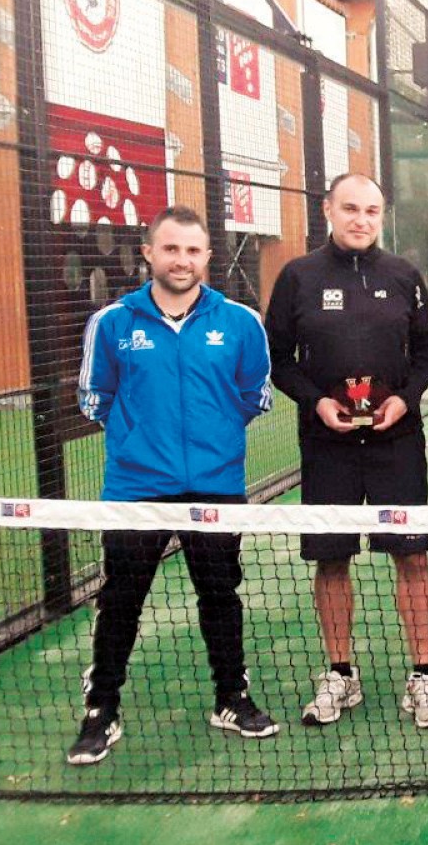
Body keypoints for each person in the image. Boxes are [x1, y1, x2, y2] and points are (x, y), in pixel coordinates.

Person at [69, 206, 278, 765]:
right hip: (135, 491)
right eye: (170, 249)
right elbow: (94, 396)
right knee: (120, 601)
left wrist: (215, 434)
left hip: (216, 488)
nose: (181, 260)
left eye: (192, 250)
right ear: (149, 252)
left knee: (219, 596)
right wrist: (140, 438)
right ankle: (101, 711)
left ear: (207, 257)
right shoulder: (112, 322)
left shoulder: (239, 322)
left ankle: (231, 697)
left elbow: (256, 393)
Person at [264, 173, 428, 730]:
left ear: (381, 215)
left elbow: (427, 353)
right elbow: (278, 357)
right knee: (331, 558)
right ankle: (339, 673)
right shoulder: (298, 276)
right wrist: (317, 402)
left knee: (412, 556)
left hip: (397, 443)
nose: (361, 219)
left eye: (371, 210)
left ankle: (422, 675)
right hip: (327, 446)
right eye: (350, 209)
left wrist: (407, 401)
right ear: (328, 210)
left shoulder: (404, 276)